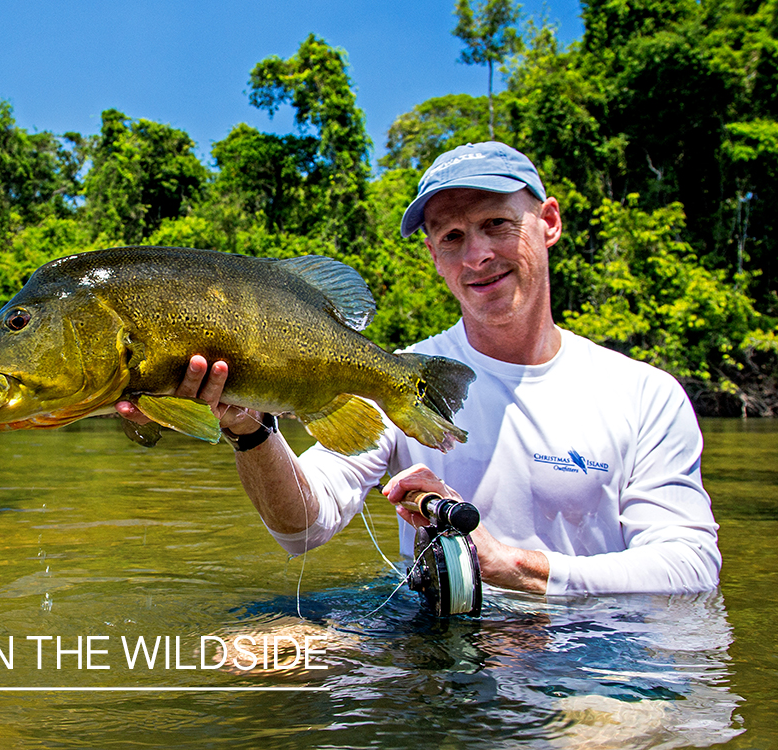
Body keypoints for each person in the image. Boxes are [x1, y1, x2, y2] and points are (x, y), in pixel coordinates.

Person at [117, 141, 721, 596]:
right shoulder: (399, 380)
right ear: (434, 256)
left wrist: (515, 566)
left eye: (497, 226)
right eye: (453, 237)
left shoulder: (644, 394)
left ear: (550, 224)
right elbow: (302, 526)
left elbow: (691, 566)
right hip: (439, 650)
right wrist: (248, 427)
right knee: (254, 653)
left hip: (595, 648)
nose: (478, 255)